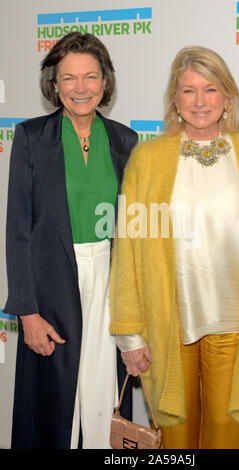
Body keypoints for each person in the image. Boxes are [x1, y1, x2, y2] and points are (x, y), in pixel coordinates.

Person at [109, 45, 239, 449]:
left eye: (210, 89)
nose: (199, 101)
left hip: (238, 328)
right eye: (188, 90)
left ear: (227, 97)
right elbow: (128, 254)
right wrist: (129, 334)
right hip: (168, 329)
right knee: (174, 443)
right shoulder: (148, 160)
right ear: (175, 99)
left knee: (227, 439)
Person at [4, 32, 137, 449]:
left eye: (90, 77)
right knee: (53, 408)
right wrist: (27, 312)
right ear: (54, 84)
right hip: (52, 292)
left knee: (104, 401)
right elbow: (18, 232)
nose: (80, 88)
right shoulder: (30, 137)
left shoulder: (125, 141)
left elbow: (133, 237)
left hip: (111, 287)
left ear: (105, 82)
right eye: (69, 78)